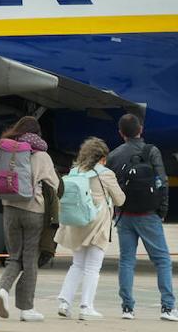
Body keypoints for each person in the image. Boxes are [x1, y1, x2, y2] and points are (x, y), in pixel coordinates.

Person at [108, 113, 177, 321]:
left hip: (124, 215)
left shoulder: (114, 155)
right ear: (141, 130)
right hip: (148, 214)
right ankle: (167, 307)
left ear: (121, 133)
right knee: (162, 260)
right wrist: (162, 211)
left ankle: (127, 308)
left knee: (127, 261)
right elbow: (162, 182)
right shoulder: (151, 151)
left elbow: (110, 186)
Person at [0, 116, 59, 322]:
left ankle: (3, 290)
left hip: (10, 208)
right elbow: (55, 185)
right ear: (37, 133)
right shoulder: (41, 156)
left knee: (14, 256)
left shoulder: (4, 150)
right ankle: (26, 309)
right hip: (33, 211)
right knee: (30, 260)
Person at [57, 137, 125, 320]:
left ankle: (64, 301)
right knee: (93, 267)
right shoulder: (106, 174)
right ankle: (86, 306)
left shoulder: (75, 171)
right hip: (97, 225)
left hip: (77, 223)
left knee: (77, 264)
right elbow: (120, 199)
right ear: (102, 157)